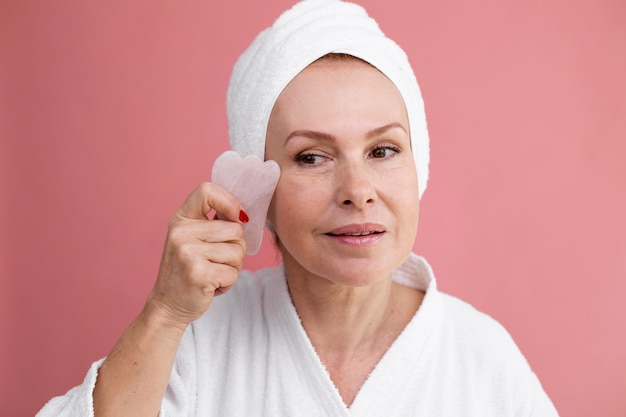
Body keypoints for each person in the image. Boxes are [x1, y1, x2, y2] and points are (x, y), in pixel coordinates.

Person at [37, 0, 559, 416]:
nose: (357, 189)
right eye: (311, 156)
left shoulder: (483, 359)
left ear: (418, 166)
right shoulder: (196, 342)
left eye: (383, 150)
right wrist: (167, 314)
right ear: (257, 191)